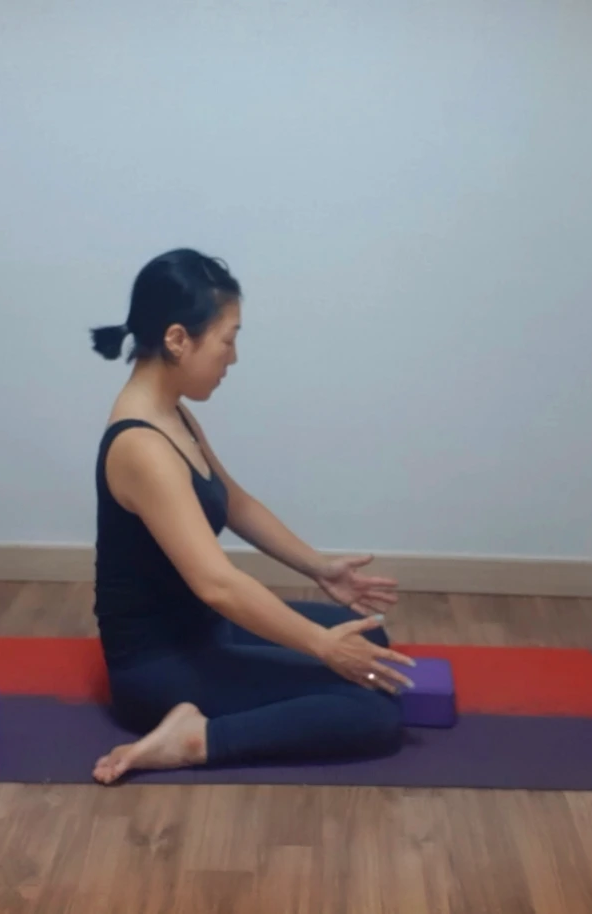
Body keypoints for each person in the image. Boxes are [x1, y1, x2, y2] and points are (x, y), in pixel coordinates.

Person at [88, 248, 416, 785]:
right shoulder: (141, 447)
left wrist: (318, 568)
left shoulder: (170, 413)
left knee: (370, 646)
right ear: (178, 339)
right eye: (228, 339)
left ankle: (216, 714)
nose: (233, 358)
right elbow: (217, 584)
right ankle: (194, 740)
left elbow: (233, 502)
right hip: (160, 668)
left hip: (206, 632)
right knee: (374, 712)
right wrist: (322, 647)